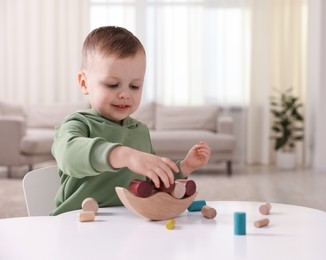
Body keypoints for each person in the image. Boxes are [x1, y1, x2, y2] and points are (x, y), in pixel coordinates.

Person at [50, 26, 211, 215]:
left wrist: (185, 166)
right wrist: (125, 155)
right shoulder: (78, 123)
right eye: (112, 84)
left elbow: (151, 182)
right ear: (84, 83)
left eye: (135, 86)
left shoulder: (139, 131)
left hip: (128, 224)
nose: (125, 94)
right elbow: (68, 155)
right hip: (78, 224)